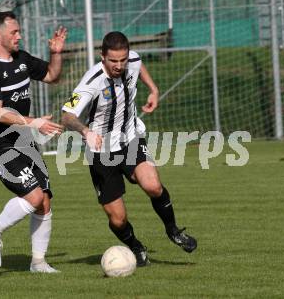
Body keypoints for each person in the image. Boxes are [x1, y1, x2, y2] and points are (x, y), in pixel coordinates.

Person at [61, 31, 197, 266]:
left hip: (130, 139)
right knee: (118, 219)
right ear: (102, 56)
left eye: (122, 60)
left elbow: (139, 65)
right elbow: (67, 115)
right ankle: (135, 246)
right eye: (113, 61)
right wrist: (86, 131)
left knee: (153, 185)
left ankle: (173, 230)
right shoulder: (91, 81)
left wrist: (153, 90)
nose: (119, 65)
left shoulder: (131, 60)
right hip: (101, 152)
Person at [0, 11, 67, 273]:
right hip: (1, 146)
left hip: (26, 144)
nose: (19, 36)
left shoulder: (22, 58)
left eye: (18, 31)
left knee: (45, 200)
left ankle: (38, 262)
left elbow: (52, 76)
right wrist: (34, 122)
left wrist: (57, 53)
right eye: (14, 32)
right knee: (34, 195)